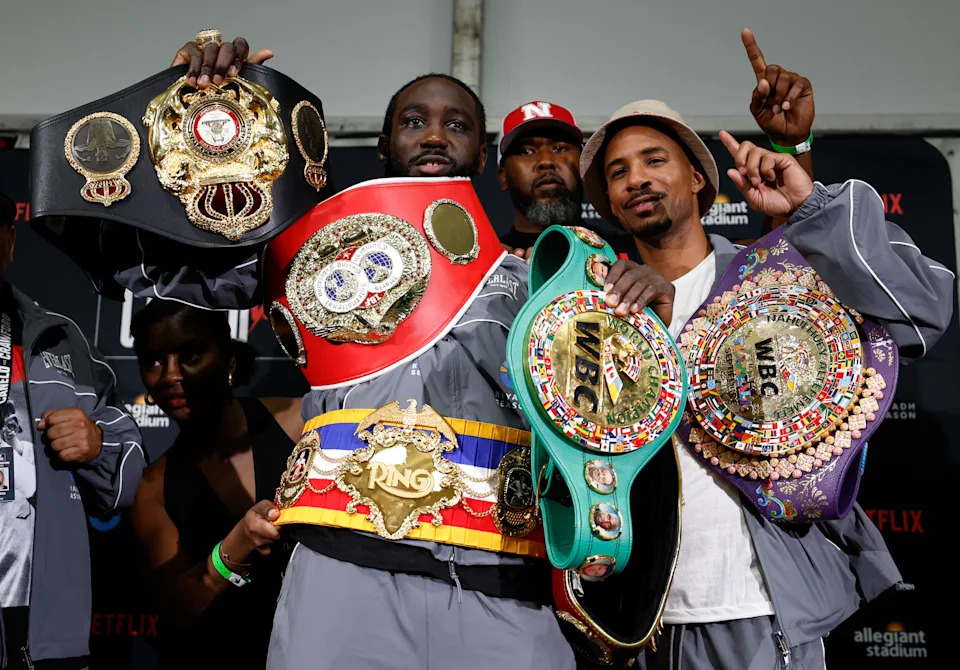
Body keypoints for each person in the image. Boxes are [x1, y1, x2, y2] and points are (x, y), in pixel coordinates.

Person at [173, 34, 679, 670]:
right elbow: (171, 264)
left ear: (483, 155)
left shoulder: (547, 290)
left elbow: (610, 431)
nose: (435, 135)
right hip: (342, 574)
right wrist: (193, 115)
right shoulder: (311, 252)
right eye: (414, 122)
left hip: (504, 587)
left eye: (456, 125)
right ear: (384, 147)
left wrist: (642, 330)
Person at [579, 36, 953, 670]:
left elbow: (922, 310)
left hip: (759, 609)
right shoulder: (595, 317)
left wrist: (809, 207)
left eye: (654, 160)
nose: (636, 178)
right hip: (637, 623)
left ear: (698, 178)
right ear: (611, 204)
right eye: (618, 173)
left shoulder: (775, 283)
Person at [0, 190, 145, 670]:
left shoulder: (58, 338)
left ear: (10, 241)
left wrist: (98, 445)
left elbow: (129, 479)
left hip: (38, 621)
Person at [127, 301, 302, 669]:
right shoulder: (153, 487)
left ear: (229, 360)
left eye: (190, 355)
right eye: (154, 361)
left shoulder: (301, 425)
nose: (171, 375)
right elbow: (177, 609)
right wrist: (235, 547)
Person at [496, 101, 584, 255]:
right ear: (503, 177)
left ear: (583, 166)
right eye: (526, 151)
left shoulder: (623, 254)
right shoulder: (492, 262)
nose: (546, 161)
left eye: (559, 148)